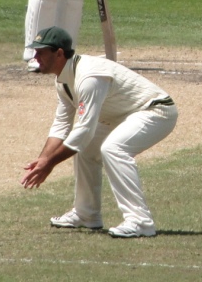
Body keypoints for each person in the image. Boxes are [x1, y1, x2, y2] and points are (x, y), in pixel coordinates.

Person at [21, 27, 178, 239]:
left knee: (113, 148)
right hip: (121, 116)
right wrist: (43, 159)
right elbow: (61, 125)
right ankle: (87, 214)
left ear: (59, 53)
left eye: (40, 52)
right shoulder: (63, 80)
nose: (35, 57)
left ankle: (140, 222)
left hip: (155, 111)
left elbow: (84, 129)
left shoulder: (89, 77)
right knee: (86, 150)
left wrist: (50, 164)